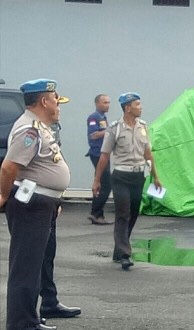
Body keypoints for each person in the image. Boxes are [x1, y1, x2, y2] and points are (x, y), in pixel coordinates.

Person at [0, 79, 79, 330]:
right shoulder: (29, 130)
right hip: (30, 205)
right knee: (26, 268)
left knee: (35, 266)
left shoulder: (40, 127)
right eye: (55, 99)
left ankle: (30, 319)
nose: (58, 104)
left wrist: (54, 197)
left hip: (41, 203)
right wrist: (2, 197)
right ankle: (21, 324)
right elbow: (9, 167)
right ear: (44, 101)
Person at [92, 92, 161, 270]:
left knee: (133, 213)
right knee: (122, 213)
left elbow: (148, 154)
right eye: (138, 104)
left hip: (138, 176)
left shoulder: (143, 126)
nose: (141, 107)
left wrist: (156, 176)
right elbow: (105, 155)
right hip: (121, 176)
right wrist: (97, 180)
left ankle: (119, 248)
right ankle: (124, 254)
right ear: (127, 108)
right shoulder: (115, 128)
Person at [86, 94, 113, 225]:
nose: (107, 105)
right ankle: (95, 213)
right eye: (105, 102)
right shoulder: (94, 117)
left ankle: (98, 214)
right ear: (97, 103)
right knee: (107, 184)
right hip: (97, 154)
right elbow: (94, 135)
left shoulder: (103, 117)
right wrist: (109, 131)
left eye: (108, 102)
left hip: (104, 153)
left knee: (102, 184)